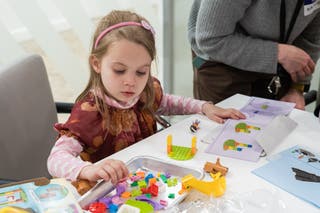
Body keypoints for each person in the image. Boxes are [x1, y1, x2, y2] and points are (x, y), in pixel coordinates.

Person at [47, 10, 245, 193]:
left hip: (141, 180)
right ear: (97, 64)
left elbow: (167, 102)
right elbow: (55, 159)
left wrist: (204, 107)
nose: (131, 82)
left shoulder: (143, 91)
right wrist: (87, 170)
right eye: (119, 70)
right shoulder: (89, 111)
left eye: (141, 72)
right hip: (106, 192)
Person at [188, 0, 320, 110]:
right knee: (225, 134)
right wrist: (278, 53)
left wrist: (297, 88)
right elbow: (211, 39)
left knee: (271, 133)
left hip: (278, 60)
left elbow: (310, 38)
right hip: (219, 58)